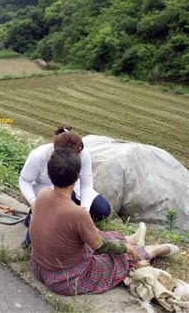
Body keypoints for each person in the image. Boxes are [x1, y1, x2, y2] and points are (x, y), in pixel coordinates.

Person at [29, 148, 180, 296]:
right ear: (76, 177)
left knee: (91, 233)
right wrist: (127, 249)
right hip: (66, 278)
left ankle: (130, 239)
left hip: (39, 267)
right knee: (117, 258)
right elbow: (101, 246)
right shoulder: (77, 213)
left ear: (49, 173)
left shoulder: (42, 194)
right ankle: (150, 250)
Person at [19, 125, 111, 246]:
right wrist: (33, 201)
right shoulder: (38, 156)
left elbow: (86, 184)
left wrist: (85, 210)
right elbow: (24, 180)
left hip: (71, 187)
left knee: (102, 210)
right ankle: (37, 217)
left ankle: (66, 217)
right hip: (45, 190)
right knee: (63, 202)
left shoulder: (83, 153)